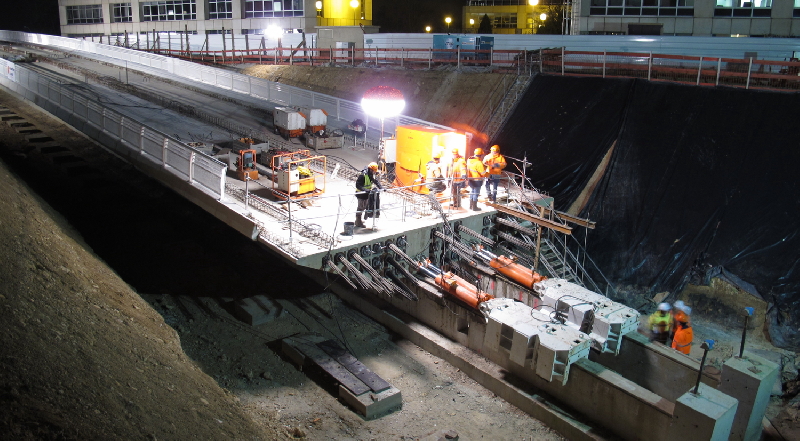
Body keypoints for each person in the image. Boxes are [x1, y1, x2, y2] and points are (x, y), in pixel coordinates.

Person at [354, 162, 382, 228]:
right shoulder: (363, 175)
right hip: (361, 194)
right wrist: (365, 189)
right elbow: (357, 185)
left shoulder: (372, 174)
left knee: (365, 206)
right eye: (374, 171)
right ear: (371, 170)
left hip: (367, 194)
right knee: (361, 208)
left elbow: (376, 181)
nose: (375, 172)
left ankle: (359, 220)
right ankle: (358, 222)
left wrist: (381, 187)